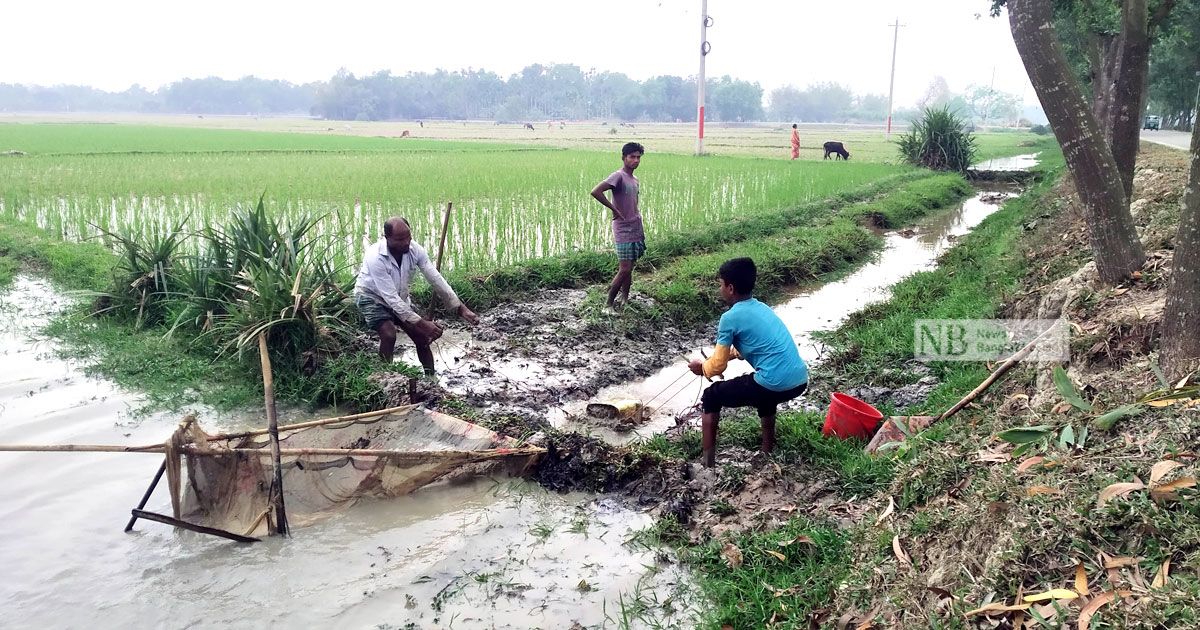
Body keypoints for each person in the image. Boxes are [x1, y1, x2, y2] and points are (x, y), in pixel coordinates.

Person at [688, 257, 809, 467]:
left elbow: (717, 366)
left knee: (711, 396)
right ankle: (767, 449)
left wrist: (702, 368)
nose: (720, 289)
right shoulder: (761, 308)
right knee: (765, 393)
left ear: (731, 288)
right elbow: (749, 348)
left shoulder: (729, 318)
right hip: (799, 380)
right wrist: (728, 356)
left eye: (721, 284)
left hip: (774, 382)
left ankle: (707, 464)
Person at [354, 217, 479, 375]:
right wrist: (422, 323)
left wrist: (460, 308)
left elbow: (435, 279)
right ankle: (385, 376)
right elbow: (390, 298)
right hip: (372, 297)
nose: (406, 242)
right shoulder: (375, 257)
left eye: (409, 237)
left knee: (421, 338)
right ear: (387, 238)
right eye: (400, 239)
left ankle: (430, 378)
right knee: (389, 334)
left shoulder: (415, 250)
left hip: (400, 298)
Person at [590, 142, 646, 310]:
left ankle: (625, 299)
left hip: (635, 225)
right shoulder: (618, 176)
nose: (635, 160)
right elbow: (596, 191)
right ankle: (608, 304)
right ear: (624, 158)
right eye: (632, 157)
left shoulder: (634, 179)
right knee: (624, 268)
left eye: (638, 157)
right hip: (622, 228)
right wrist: (614, 209)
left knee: (630, 266)